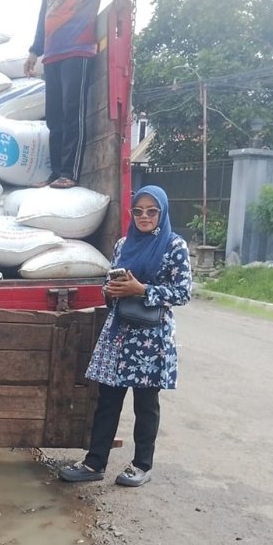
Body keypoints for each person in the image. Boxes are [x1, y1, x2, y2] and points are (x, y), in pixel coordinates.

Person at [59, 186, 192, 487]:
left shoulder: (174, 246)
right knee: (107, 399)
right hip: (120, 332)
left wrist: (142, 290)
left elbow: (183, 293)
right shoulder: (123, 244)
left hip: (151, 337)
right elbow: (111, 278)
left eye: (152, 211)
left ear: (162, 213)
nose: (144, 217)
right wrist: (111, 290)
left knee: (145, 403)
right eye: (139, 211)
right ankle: (95, 463)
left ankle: (141, 466)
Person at [24, 0, 134, 189]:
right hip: (52, 52)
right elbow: (43, 12)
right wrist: (35, 50)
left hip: (78, 47)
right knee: (55, 117)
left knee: (73, 111)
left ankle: (70, 173)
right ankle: (56, 172)